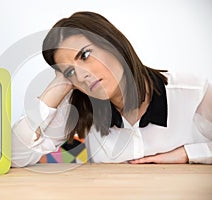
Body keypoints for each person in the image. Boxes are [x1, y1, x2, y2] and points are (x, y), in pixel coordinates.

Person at [11, 11, 212, 167]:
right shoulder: (79, 107)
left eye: (85, 55)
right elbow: (15, 155)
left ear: (112, 43)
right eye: (71, 72)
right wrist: (56, 87)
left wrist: (188, 154)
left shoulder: (193, 91)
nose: (82, 76)